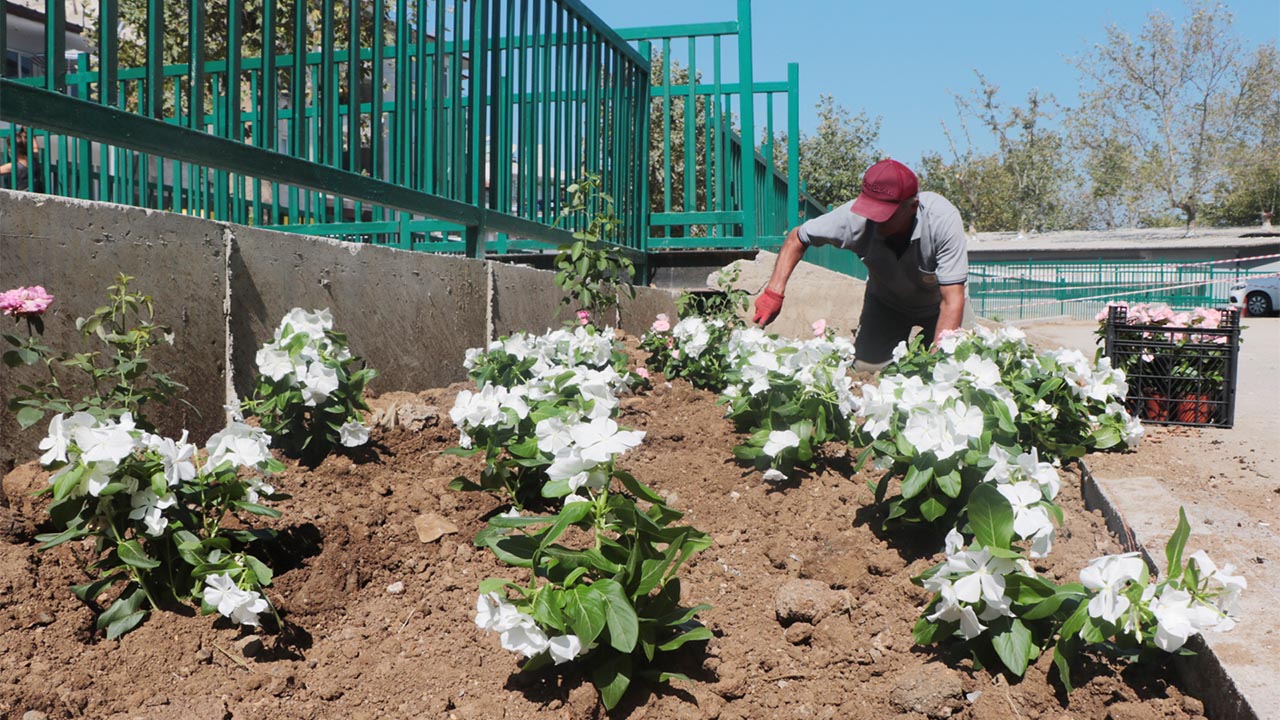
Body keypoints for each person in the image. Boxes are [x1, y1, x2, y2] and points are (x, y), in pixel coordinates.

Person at [751, 158, 968, 372]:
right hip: (888, 303)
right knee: (867, 371)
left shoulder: (942, 220)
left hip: (940, 305)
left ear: (912, 207)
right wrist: (774, 292)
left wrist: (937, 367)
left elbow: (952, 300)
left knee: (959, 369)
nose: (873, 218)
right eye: (870, 208)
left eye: (884, 213)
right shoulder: (853, 218)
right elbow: (798, 237)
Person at [0, 128, 42, 193]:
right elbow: (35, 148)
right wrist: (29, 132)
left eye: (9, 147)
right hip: (38, 194)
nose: (8, 150)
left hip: (21, 197)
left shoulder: (13, 166)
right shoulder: (34, 159)